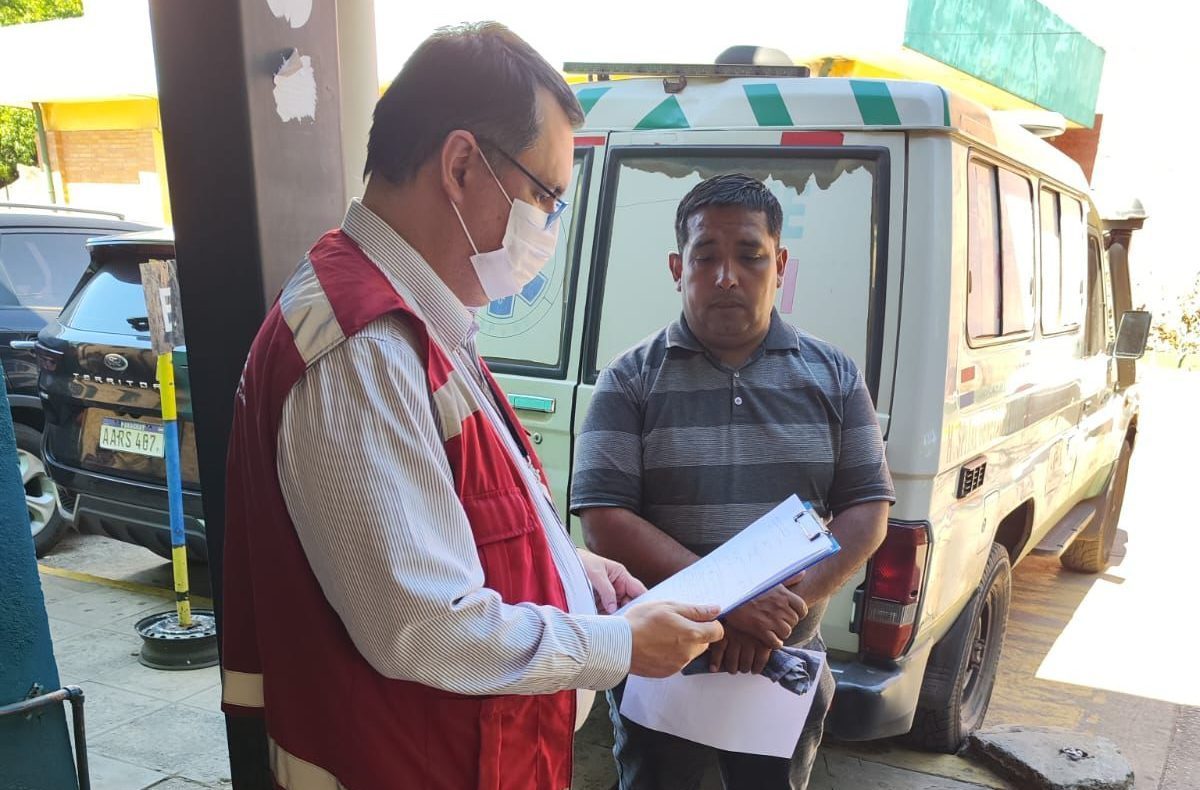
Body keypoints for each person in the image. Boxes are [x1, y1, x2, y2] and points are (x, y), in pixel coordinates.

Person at [219, 23, 723, 790]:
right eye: (545, 195)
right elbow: (421, 623)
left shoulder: (415, 319)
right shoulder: (363, 348)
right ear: (460, 165)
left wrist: (572, 568)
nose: (548, 226)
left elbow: (453, 519)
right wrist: (619, 644)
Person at [573, 174, 895, 789]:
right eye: (705, 257)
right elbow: (605, 519)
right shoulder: (630, 378)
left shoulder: (834, 374)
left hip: (782, 664)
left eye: (750, 256)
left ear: (780, 265)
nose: (727, 276)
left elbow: (867, 511)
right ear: (677, 268)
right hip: (665, 666)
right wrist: (730, 605)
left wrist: (776, 614)